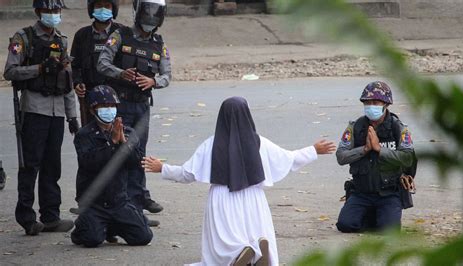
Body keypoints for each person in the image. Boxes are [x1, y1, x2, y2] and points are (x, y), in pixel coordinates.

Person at [142, 96, 336, 265]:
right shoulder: (260, 143)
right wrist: (313, 150)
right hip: (253, 198)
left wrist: (163, 168)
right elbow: (289, 159)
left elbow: (187, 174)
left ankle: (235, 257)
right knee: (255, 229)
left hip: (221, 198)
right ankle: (256, 255)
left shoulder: (210, 145)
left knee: (223, 237)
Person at [3, 0, 78, 236]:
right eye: (49, 11)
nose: (54, 15)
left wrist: (72, 116)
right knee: (30, 165)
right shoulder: (23, 37)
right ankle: (26, 217)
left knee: (52, 166)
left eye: (56, 11)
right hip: (34, 109)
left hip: (56, 111)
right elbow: (10, 71)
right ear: (38, 12)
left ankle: (51, 216)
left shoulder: (62, 40)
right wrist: (39, 69)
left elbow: (67, 81)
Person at [97, 0, 170, 221]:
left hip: (142, 106)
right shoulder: (120, 35)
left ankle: (136, 209)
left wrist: (153, 82)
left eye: (156, 13)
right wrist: (121, 73)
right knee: (119, 154)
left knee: (138, 155)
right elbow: (102, 63)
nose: (151, 17)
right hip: (121, 104)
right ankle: (117, 206)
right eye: (148, 11)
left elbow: (167, 75)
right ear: (138, 11)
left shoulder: (159, 43)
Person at [71, 85, 153, 248]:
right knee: (92, 240)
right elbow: (89, 163)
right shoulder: (84, 135)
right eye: (104, 107)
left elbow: (136, 162)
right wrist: (112, 143)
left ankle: (112, 226)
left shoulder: (127, 131)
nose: (109, 110)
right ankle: (82, 227)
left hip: (118, 200)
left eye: (112, 106)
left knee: (143, 237)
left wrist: (123, 144)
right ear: (93, 110)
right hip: (94, 201)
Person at [335, 81, 416, 233]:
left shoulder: (398, 128)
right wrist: (365, 149)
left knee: (389, 230)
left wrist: (379, 149)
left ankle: (381, 217)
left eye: (375, 102)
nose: (371, 106)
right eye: (367, 102)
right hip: (361, 192)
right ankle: (371, 216)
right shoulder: (355, 127)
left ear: (386, 104)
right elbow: (341, 156)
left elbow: (408, 158)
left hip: (389, 193)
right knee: (345, 225)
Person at [69, 0, 122, 215]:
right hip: (90, 103)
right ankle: (86, 202)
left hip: (115, 101)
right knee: (90, 150)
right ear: (91, 9)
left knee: (120, 149)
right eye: (98, 5)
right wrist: (78, 83)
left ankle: (126, 203)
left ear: (114, 9)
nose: (103, 10)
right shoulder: (82, 35)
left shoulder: (120, 32)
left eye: (107, 6)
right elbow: (75, 65)